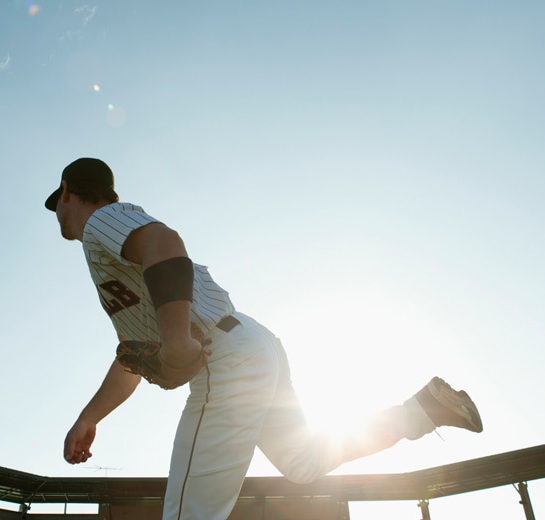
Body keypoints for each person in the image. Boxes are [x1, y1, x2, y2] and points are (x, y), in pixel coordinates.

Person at [46, 158, 483, 520]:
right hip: (252, 346)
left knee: (188, 515)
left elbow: (165, 241)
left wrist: (177, 339)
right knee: (303, 463)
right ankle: (422, 411)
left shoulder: (102, 220)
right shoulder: (109, 260)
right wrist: (91, 417)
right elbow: (133, 359)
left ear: (68, 190)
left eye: (57, 205)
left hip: (224, 359)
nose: (58, 216)